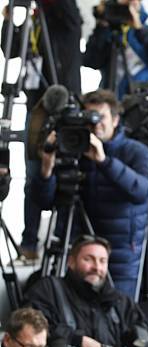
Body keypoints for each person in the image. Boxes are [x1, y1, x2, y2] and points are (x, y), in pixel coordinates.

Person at [33, 89, 148, 298]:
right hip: (77, 249)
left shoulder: (136, 152)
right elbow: (44, 201)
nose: (95, 124)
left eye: (100, 117)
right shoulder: (72, 148)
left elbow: (144, 191)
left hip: (120, 257)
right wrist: (46, 167)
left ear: (116, 120)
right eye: (89, 117)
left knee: (118, 319)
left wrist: (104, 161)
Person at [24, 235, 148, 347]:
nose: (97, 267)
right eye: (89, 259)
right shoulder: (48, 290)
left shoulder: (123, 304)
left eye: (102, 261)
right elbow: (28, 330)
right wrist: (76, 340)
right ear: (70, 261)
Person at [1, 0, 82, 260]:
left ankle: (63, 243)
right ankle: (30, 242)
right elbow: (10, 49)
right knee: (35, 172)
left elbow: (69, 14)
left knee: (67, 172)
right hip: (37, 105)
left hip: (64, 99)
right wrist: (10, 19)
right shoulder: (33, 19)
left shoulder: (64, 14)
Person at [83, 0, 148, 99]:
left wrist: (140, 29)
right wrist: (102, 25)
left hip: (146, 101)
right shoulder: (109, 34)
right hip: (113, 102)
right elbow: (90, 61)